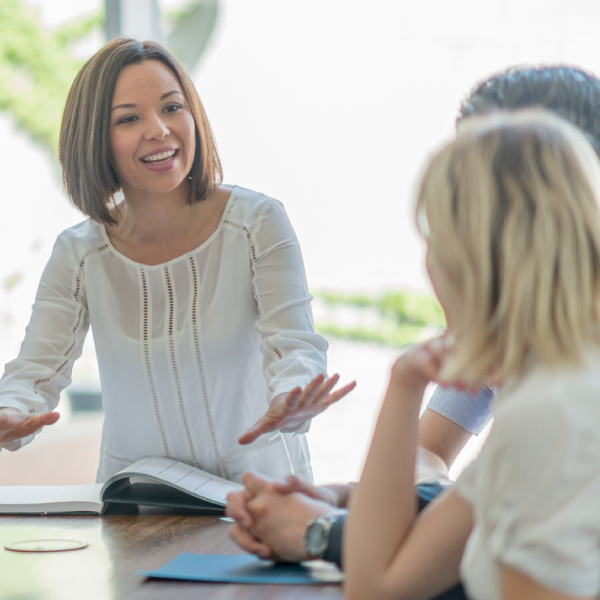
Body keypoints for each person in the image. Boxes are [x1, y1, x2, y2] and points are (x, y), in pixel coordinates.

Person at [225, 64, 600, 584]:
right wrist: (402, 389)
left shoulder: (552, 410)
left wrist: (324, 529)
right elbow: (388, 573)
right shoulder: (549, 380)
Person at [0, 38, 355, 484]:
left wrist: (293, 394)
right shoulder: (79, 253)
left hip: (257, 497)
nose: (159, 130)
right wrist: (10, 411)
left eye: (172, 107)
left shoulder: (256, 223)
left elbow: (295, 345)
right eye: (129, 118)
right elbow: (34, 371)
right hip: (137, 504)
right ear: (95, 139)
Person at [343, 109, 600, 599]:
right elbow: (377, 586)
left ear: (476, 259)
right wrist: (404, 383)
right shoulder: (548, 390)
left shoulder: (549, 413)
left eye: (436, 241)